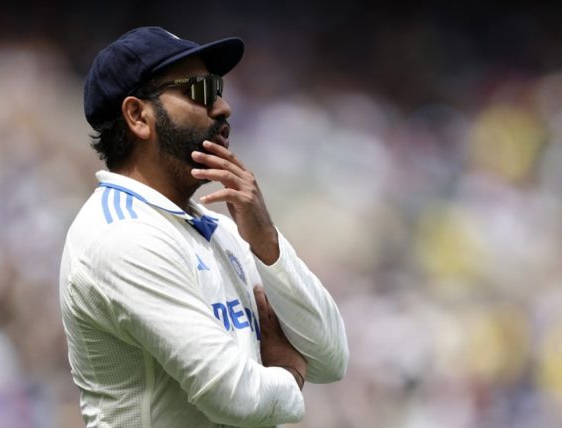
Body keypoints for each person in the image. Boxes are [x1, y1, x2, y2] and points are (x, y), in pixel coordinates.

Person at [59, 26, 349, 428]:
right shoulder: (121, 235)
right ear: (138, 116)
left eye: (219, 89)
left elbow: (331, 358)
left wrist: (267, 243)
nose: (223, 107)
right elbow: (234, 397)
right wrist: (289, 374)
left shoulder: (219, 228)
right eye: (200, 90)